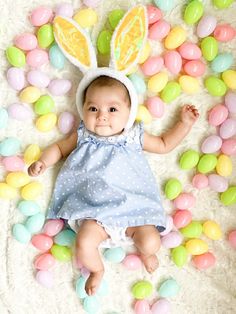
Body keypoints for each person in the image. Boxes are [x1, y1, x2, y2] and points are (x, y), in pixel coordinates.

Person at [28, 75, 199, 296]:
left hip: (133, 211)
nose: (101, 117)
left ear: (129, 112)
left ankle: (145, 253)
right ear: (83, 110)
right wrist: (43, 161)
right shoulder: (82, 135)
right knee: (84, 242)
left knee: (151, 242)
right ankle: (97, 270)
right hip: (95, 212)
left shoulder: (133, 136)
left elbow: (164, 144)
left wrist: (183, 124)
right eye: (93, 109)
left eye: (112, 110)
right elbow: (59, 149)